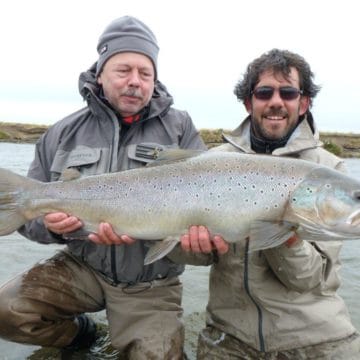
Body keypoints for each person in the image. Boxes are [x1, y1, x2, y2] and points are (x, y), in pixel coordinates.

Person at [0, 16, 206, 359]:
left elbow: (205, 209)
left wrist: (199, 244)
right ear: (100, 73)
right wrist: (52, 228)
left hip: (150, 280)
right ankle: (83, 336)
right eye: (124, 70)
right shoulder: (62, 133)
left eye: (145, 73)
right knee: (6, 312)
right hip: (82, 268)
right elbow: (27, 221)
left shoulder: (181, 129)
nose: (135, 82)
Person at [171, 49, 360, 359]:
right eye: (264, 92)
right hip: (229, 337)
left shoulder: (330, 169)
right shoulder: (212, 162)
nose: (276, 101)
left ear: (304, 102)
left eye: (288, 92)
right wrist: (191, 247)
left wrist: (286, 237)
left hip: (318, 340)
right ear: (249, 102)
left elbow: (309, 281)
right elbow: (193, 257)